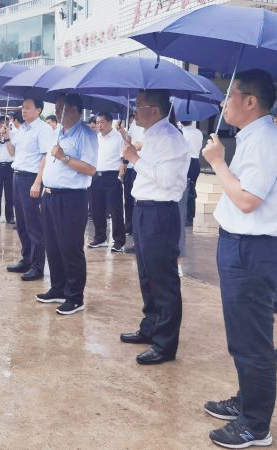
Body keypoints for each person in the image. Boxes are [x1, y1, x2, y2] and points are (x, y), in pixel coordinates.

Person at [201, 69, 277, 449]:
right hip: (241, 246)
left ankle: (256, 425)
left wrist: (218, 163)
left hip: (253, 251)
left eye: (231, 95)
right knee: (242, 336)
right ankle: (246, 401)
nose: (224, 103)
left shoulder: (265, 141)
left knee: (252, 340)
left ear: (250, 101)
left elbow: (247, 200)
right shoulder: (253, 136)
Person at [118, 89, 190, 365]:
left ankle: (165, 344)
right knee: (147, 274)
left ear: (156, 110)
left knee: (163, 279)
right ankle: (150, 326)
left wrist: (134, 158)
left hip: (160, 213)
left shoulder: (171, 138)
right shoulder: (151, 136)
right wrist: (133, 152)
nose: (135, 111)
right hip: (144, 209)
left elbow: (166, 178)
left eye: (139, 106)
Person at [35, 94, 98, 315]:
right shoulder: (57, 132)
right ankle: (58, 288)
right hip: (50, 195)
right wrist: (41, 185)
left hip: (71, 198)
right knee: (52, 246)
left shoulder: (86, 134)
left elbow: (91, 169)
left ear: (74, 109)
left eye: (61, 107)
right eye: (57, 107)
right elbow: (47, 160)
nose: (57, 111)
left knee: (70, 248)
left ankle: (75, 297)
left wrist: (64, 157)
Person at [5, 99, 55, 281]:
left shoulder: (43, 129)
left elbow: (45, 157)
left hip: (31, 178)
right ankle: (26, 259)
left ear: (38, 110)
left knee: (34, 224)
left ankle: (37, 266)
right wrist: (7, 137)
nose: (23, 111)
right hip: (17, 176)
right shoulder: (23, 129)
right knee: (21, 222)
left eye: (28, 108)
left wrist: (37, 182)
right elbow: (13, 152)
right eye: (22, 108)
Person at [88, 112, 126, 252]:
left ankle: (119, 241)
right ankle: (100, 238)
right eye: (97, 122)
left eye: (102, 122)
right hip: (96, 176)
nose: (99, 125)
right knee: (96, 208)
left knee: (115, 210)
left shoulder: (118, 137)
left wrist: (122, 171)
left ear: (110, 122)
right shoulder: (96, 137)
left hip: (112, 176)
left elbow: (124, 157)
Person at [124, 114, 144, 237]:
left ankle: (137, 228)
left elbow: (145, 143)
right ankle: (129, 226)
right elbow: (128, 139)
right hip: (132, 165)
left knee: (140, 198)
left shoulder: (152, 127)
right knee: (129, 197)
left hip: (142, 164)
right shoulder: (134, 124)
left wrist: (138, 146)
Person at [181, 121, 204, 227]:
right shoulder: (198, 132)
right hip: (195, 162)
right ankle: (190, 216)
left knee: (185, 190)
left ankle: (186, 216)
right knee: (192, 188)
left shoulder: (181, 133)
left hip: (186, 162)